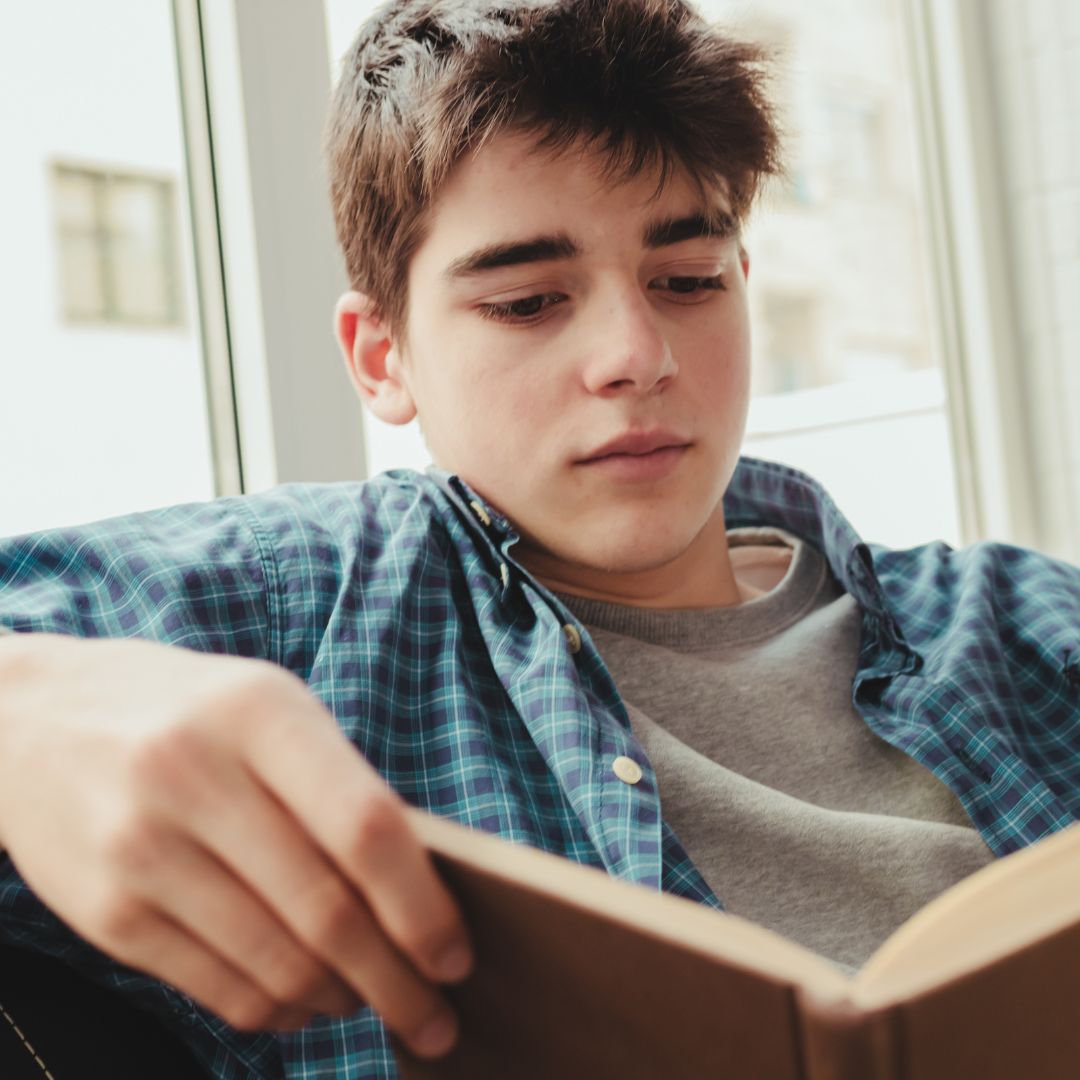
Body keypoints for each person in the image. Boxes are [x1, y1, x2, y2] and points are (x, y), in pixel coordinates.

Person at [1, 1, 1078, 1077]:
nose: (635, 353)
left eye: (688, 281)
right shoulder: (303, 600)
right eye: (526, 302)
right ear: (381, 356)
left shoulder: (1022, 624)